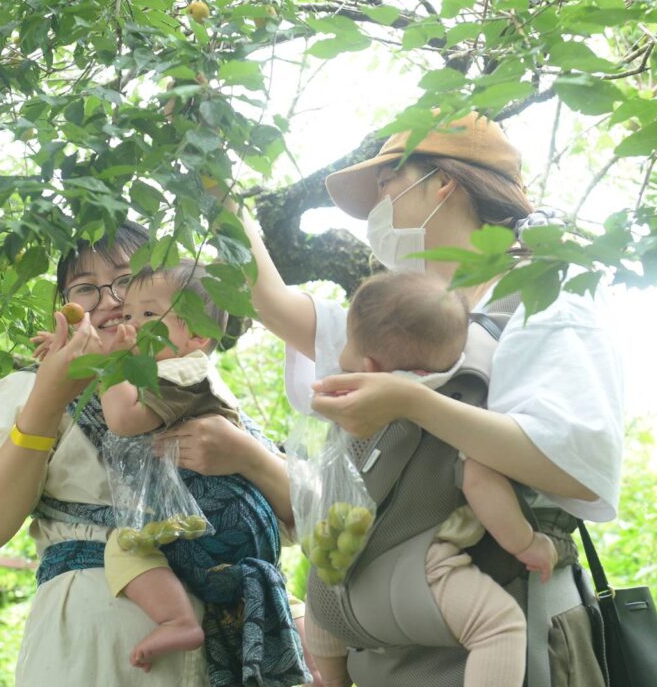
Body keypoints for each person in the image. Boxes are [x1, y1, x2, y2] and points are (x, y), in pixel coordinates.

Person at [227, 110, 624, 686]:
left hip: (512, 633)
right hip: (398, 645)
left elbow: (575, 462)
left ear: (443, 183)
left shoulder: (544, 296)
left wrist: (412, 402)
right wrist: (226, 203)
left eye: (387, 185)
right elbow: (273, 302)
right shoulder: (406, 316)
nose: (376, 214)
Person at [0, 221, 312, 687]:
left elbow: (307, 517)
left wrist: (245, 454)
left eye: (127, 280)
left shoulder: (192, 381)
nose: (109, 300)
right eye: (85, 288)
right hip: (95, 650)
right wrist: (49, 396)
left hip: (219, 642)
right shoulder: (25, 389)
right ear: (63, 307)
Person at [305, 270, 558, 687]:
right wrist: (525, 543)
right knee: (499, 626)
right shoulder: (457, 405)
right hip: (422, 567)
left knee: (321, 598)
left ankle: (330, 680)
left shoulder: (347, 405)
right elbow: (478, 479)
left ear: (369, 365)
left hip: (337, 566)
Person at [98, 260, 253, 672]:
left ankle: (177, 618)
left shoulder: (181, 376)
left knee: (123, 545)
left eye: (150, 315)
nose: (130, 327)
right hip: (227, 514)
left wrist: (109, 366)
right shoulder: (184, 371)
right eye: (127, 315)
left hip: (214, 514)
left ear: (197, 336)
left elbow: (123, 419)